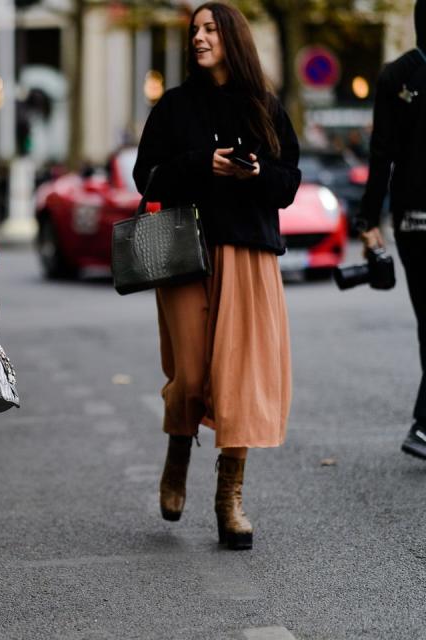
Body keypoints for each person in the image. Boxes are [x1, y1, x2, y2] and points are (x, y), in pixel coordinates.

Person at [133, 2, 301, 550]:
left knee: (238, 378)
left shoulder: (265, 107)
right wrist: (202, 164)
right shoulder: (175, 106)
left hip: (246, 251)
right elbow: (146, 177)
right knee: (192, 373)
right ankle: (178, 448)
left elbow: (286, 185)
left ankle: (230, 499)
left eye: (210, 29)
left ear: (232, 38)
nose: (199, 37)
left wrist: (252, 174)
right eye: (195, 30)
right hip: (183, 251)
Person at [358, 0, 426, 460]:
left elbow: (380, 155)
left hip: (410, 218)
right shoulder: (397, 78)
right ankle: (422, 426)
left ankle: (423, 426)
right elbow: (381, 155)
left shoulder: (394, 75)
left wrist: (369, 222)